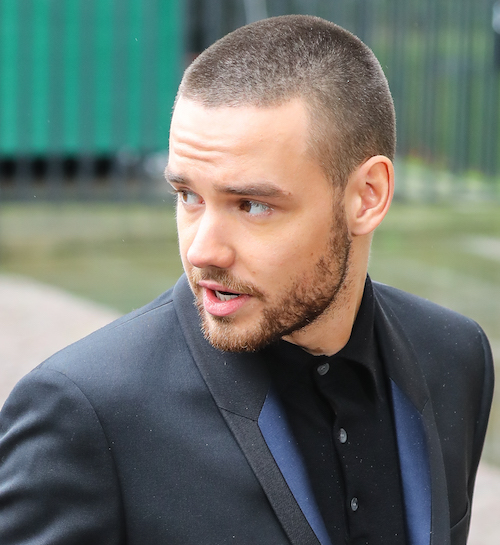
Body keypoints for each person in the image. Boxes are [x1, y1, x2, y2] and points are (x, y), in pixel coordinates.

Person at [0, 15, 494, 545]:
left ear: (367, 196)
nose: (201, 250)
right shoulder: (84, 413)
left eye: (252, 204)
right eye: (188, 196)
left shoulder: (454, 355)